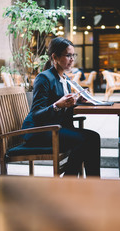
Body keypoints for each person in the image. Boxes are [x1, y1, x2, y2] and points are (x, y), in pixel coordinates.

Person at [21, 37, 101, 177]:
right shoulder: (44, 78)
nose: (72, 59)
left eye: (73, 55)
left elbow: (64, 105)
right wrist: (57, 105)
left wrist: (78, 101)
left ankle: (83, 182)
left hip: (56, 128)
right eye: (68, 55)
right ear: (55, 57)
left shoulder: (65, 79)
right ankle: (72, 181)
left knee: (92, 138)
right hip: (39, 131)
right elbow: (36, 114)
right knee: (88, 139)